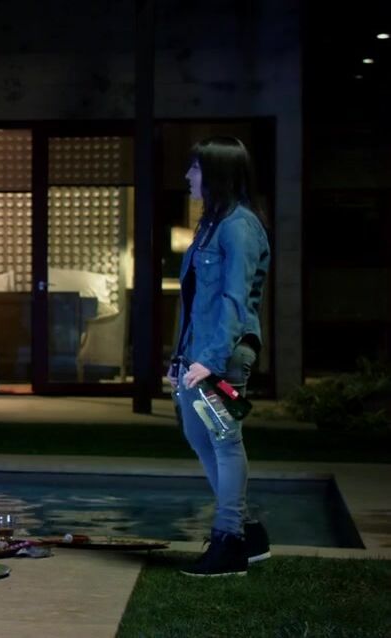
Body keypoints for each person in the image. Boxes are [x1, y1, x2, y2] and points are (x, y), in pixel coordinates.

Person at [169, 136, 272, 577]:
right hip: (197, 356)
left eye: (194, 168)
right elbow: (195, 301)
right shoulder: (211, 224)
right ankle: (248, 532)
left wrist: (210, 360)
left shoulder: (239, 227)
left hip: (223, 358)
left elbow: (234, 300)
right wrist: (180, 358)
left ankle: (229, 540)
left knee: (225, 442)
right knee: (198, 436)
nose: (187, 176)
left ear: (216, 173)